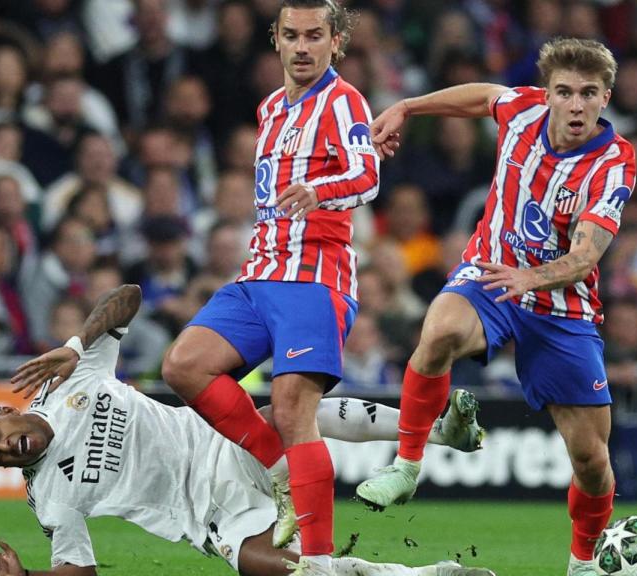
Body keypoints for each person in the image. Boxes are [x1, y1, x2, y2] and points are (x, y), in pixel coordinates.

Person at [0, 284, 491, 576]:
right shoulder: (50, 496)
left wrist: (78, 344)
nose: (6, 449)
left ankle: (435, 431)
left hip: (220, 442)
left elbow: (128, 297)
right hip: (206, 515)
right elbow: (80, 572)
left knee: (287, 414)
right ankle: (425, 575)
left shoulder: (71, 379)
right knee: (286, 572)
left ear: (4, 410)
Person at [355, 38, 637, 576]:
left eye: (588, 93)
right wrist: (408, 107)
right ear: (547, 93)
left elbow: (586, 256)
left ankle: (582, 563)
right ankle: (406, 467)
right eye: (564, 92)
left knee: (591, 460)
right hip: (492, 272)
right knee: (439, 331)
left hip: (561, 308)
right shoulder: (523, 109)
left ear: (605, 98)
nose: (575, 105)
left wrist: (530, 277)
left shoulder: (613, 162)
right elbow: (484, 96)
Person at [160, 1, 382, 574]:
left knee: (291, 409)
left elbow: (368, 176)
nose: (302, 46)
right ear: (276, 40)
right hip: (258, 274)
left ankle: (319, 562)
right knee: (184, 365)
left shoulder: (343, 100)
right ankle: (282, 473)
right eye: (292, 35)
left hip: (312, 278)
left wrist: (320, 190)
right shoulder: (270, 108)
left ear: (336, 42)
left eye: (315, 35)